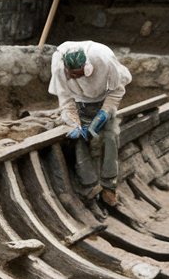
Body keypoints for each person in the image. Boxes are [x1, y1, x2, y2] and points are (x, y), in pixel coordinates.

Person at [48, 41, 132, 211]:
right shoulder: (59, 66)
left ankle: (109, 185)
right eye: (69, 74)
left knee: (110, 135)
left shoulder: (105, 61)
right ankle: (90, 185)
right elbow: (65, 101)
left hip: (104, 99)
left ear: (87, 69)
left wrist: (103, 113)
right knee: (79, 139)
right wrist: (75, 123)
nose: (72, 78)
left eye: (77, 74)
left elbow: (117, 91)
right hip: (79, 104)